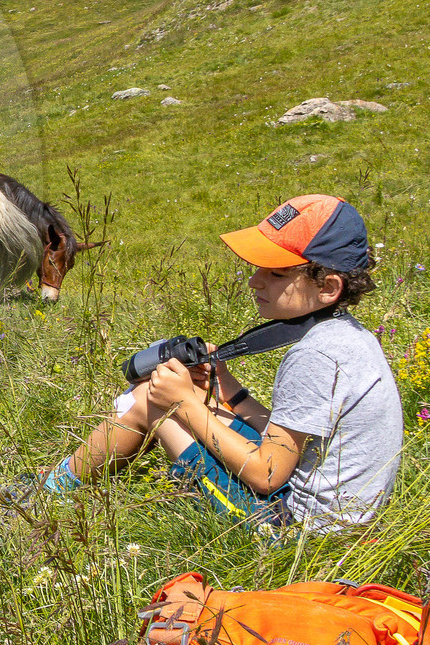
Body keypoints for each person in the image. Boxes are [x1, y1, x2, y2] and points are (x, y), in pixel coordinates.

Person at [48, 194, 402, 531]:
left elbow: (268, 475)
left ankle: (49, 493)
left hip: (294, 529)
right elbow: (295, 441)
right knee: (179, 399)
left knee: (151, 401)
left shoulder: (314, 356)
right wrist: (227, 388)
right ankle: (58, 484)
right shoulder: (347, 336)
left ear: (328, 287)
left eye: (277, 274)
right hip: (336, 512)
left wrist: (184, 403)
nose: (254, 281)